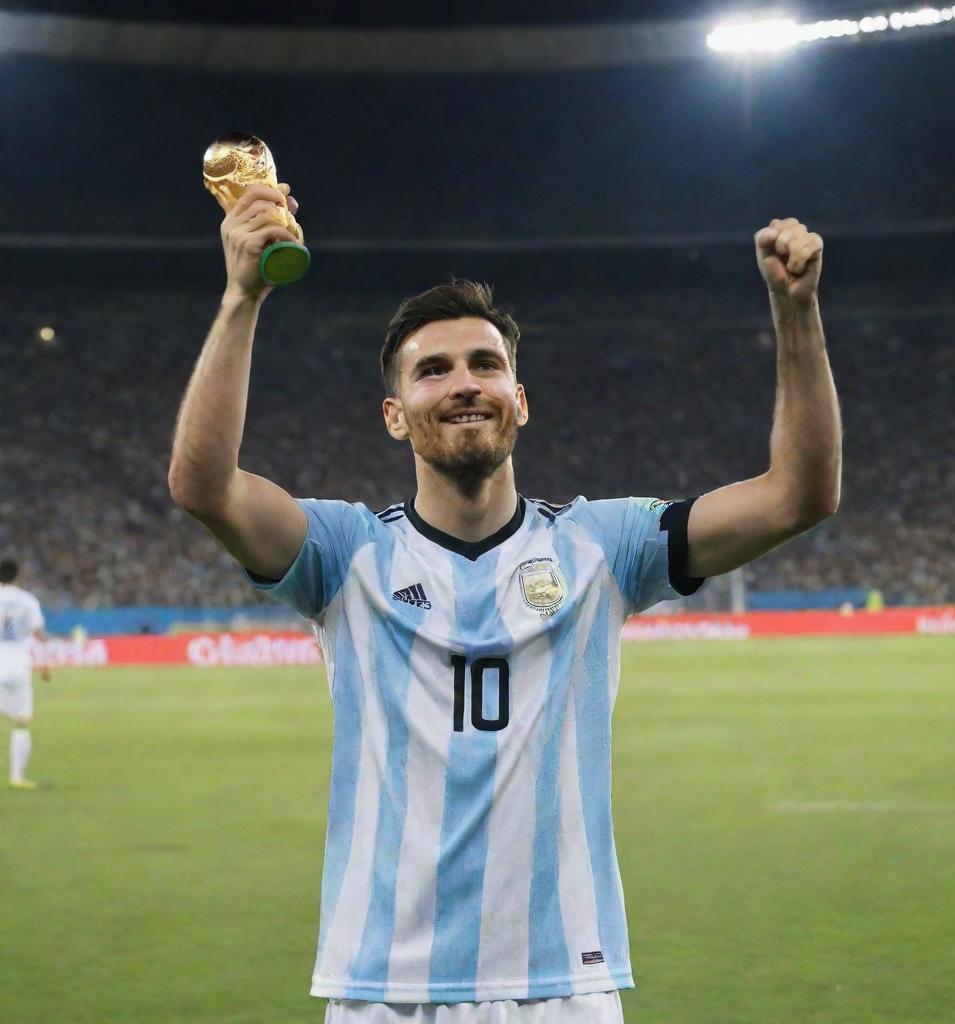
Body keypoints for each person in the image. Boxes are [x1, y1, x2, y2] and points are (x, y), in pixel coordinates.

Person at [168, 185, 841, 1024]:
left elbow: (798, 496)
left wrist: (796, 315)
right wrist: (242, 297)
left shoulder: (606, 545)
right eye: (433, 370)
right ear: (393, 414)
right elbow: (203, 487)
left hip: (565, 985)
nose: (464, 384)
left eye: (487, 365)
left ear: (519, 400)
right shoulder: (345, 556)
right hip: (386, 989)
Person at [0, 558, 50, 789]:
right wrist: (46, 663)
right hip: (18, 666)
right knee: (22, 723)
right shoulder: (27, 600)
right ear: (17, 575)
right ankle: (17, 777)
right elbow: (38, 634)